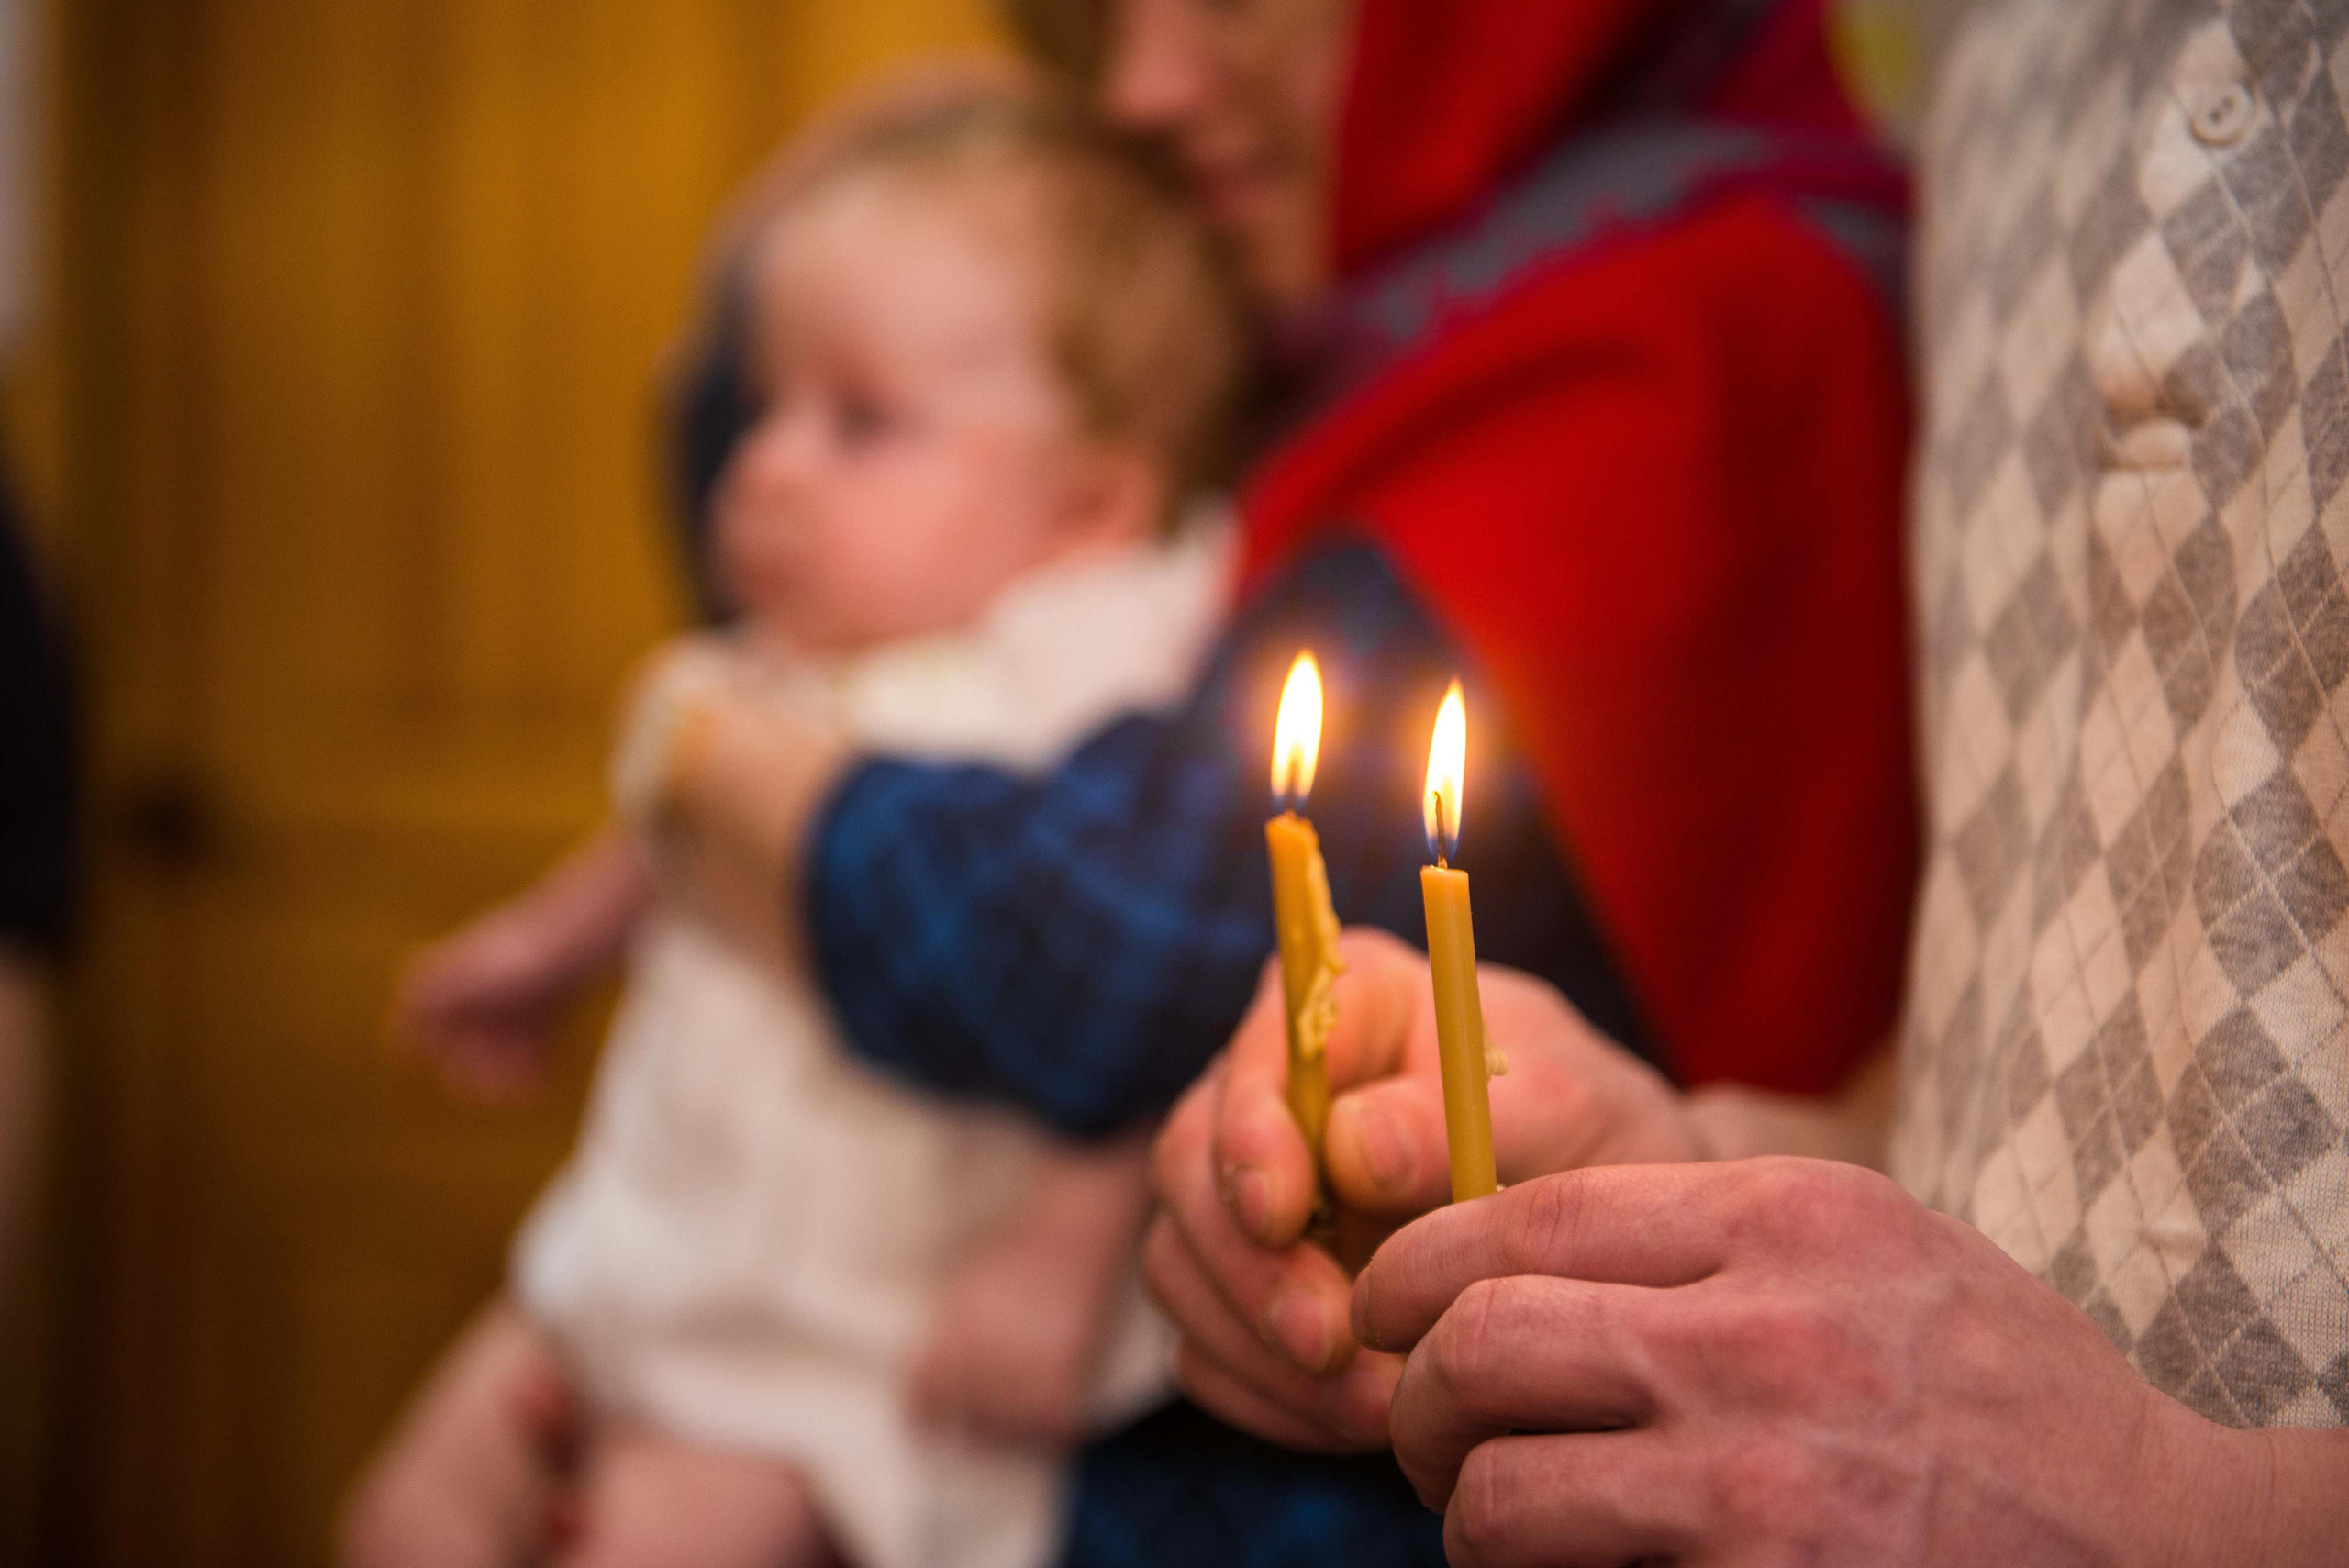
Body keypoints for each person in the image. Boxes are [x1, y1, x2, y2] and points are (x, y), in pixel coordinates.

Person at [653, 0, 1920, 1556]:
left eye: (1238, 0)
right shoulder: (1381, 314)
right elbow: (797, 530)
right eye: (1099, 20)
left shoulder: (1665, 329)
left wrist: (686, 746)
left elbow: (1089, 955)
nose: (1143, 87)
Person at [1147, 0, 2349, 1557]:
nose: (1149, 84)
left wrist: (2193, 1509)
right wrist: (1680, 1177)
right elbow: (2079, 1009)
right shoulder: (1998, 54)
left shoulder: (1722, 289)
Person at [342, 88, 1245, 1568]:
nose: (763, 465)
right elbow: (671, 831)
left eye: (859, 421)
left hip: (834, 1352)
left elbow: (1164, 1000)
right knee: (401, 1519)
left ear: (1088, 505)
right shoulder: (788, 656)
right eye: (764, 409)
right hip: (628, 1263)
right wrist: (545, 947)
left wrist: (1064, 1247)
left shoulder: (1093, 674)